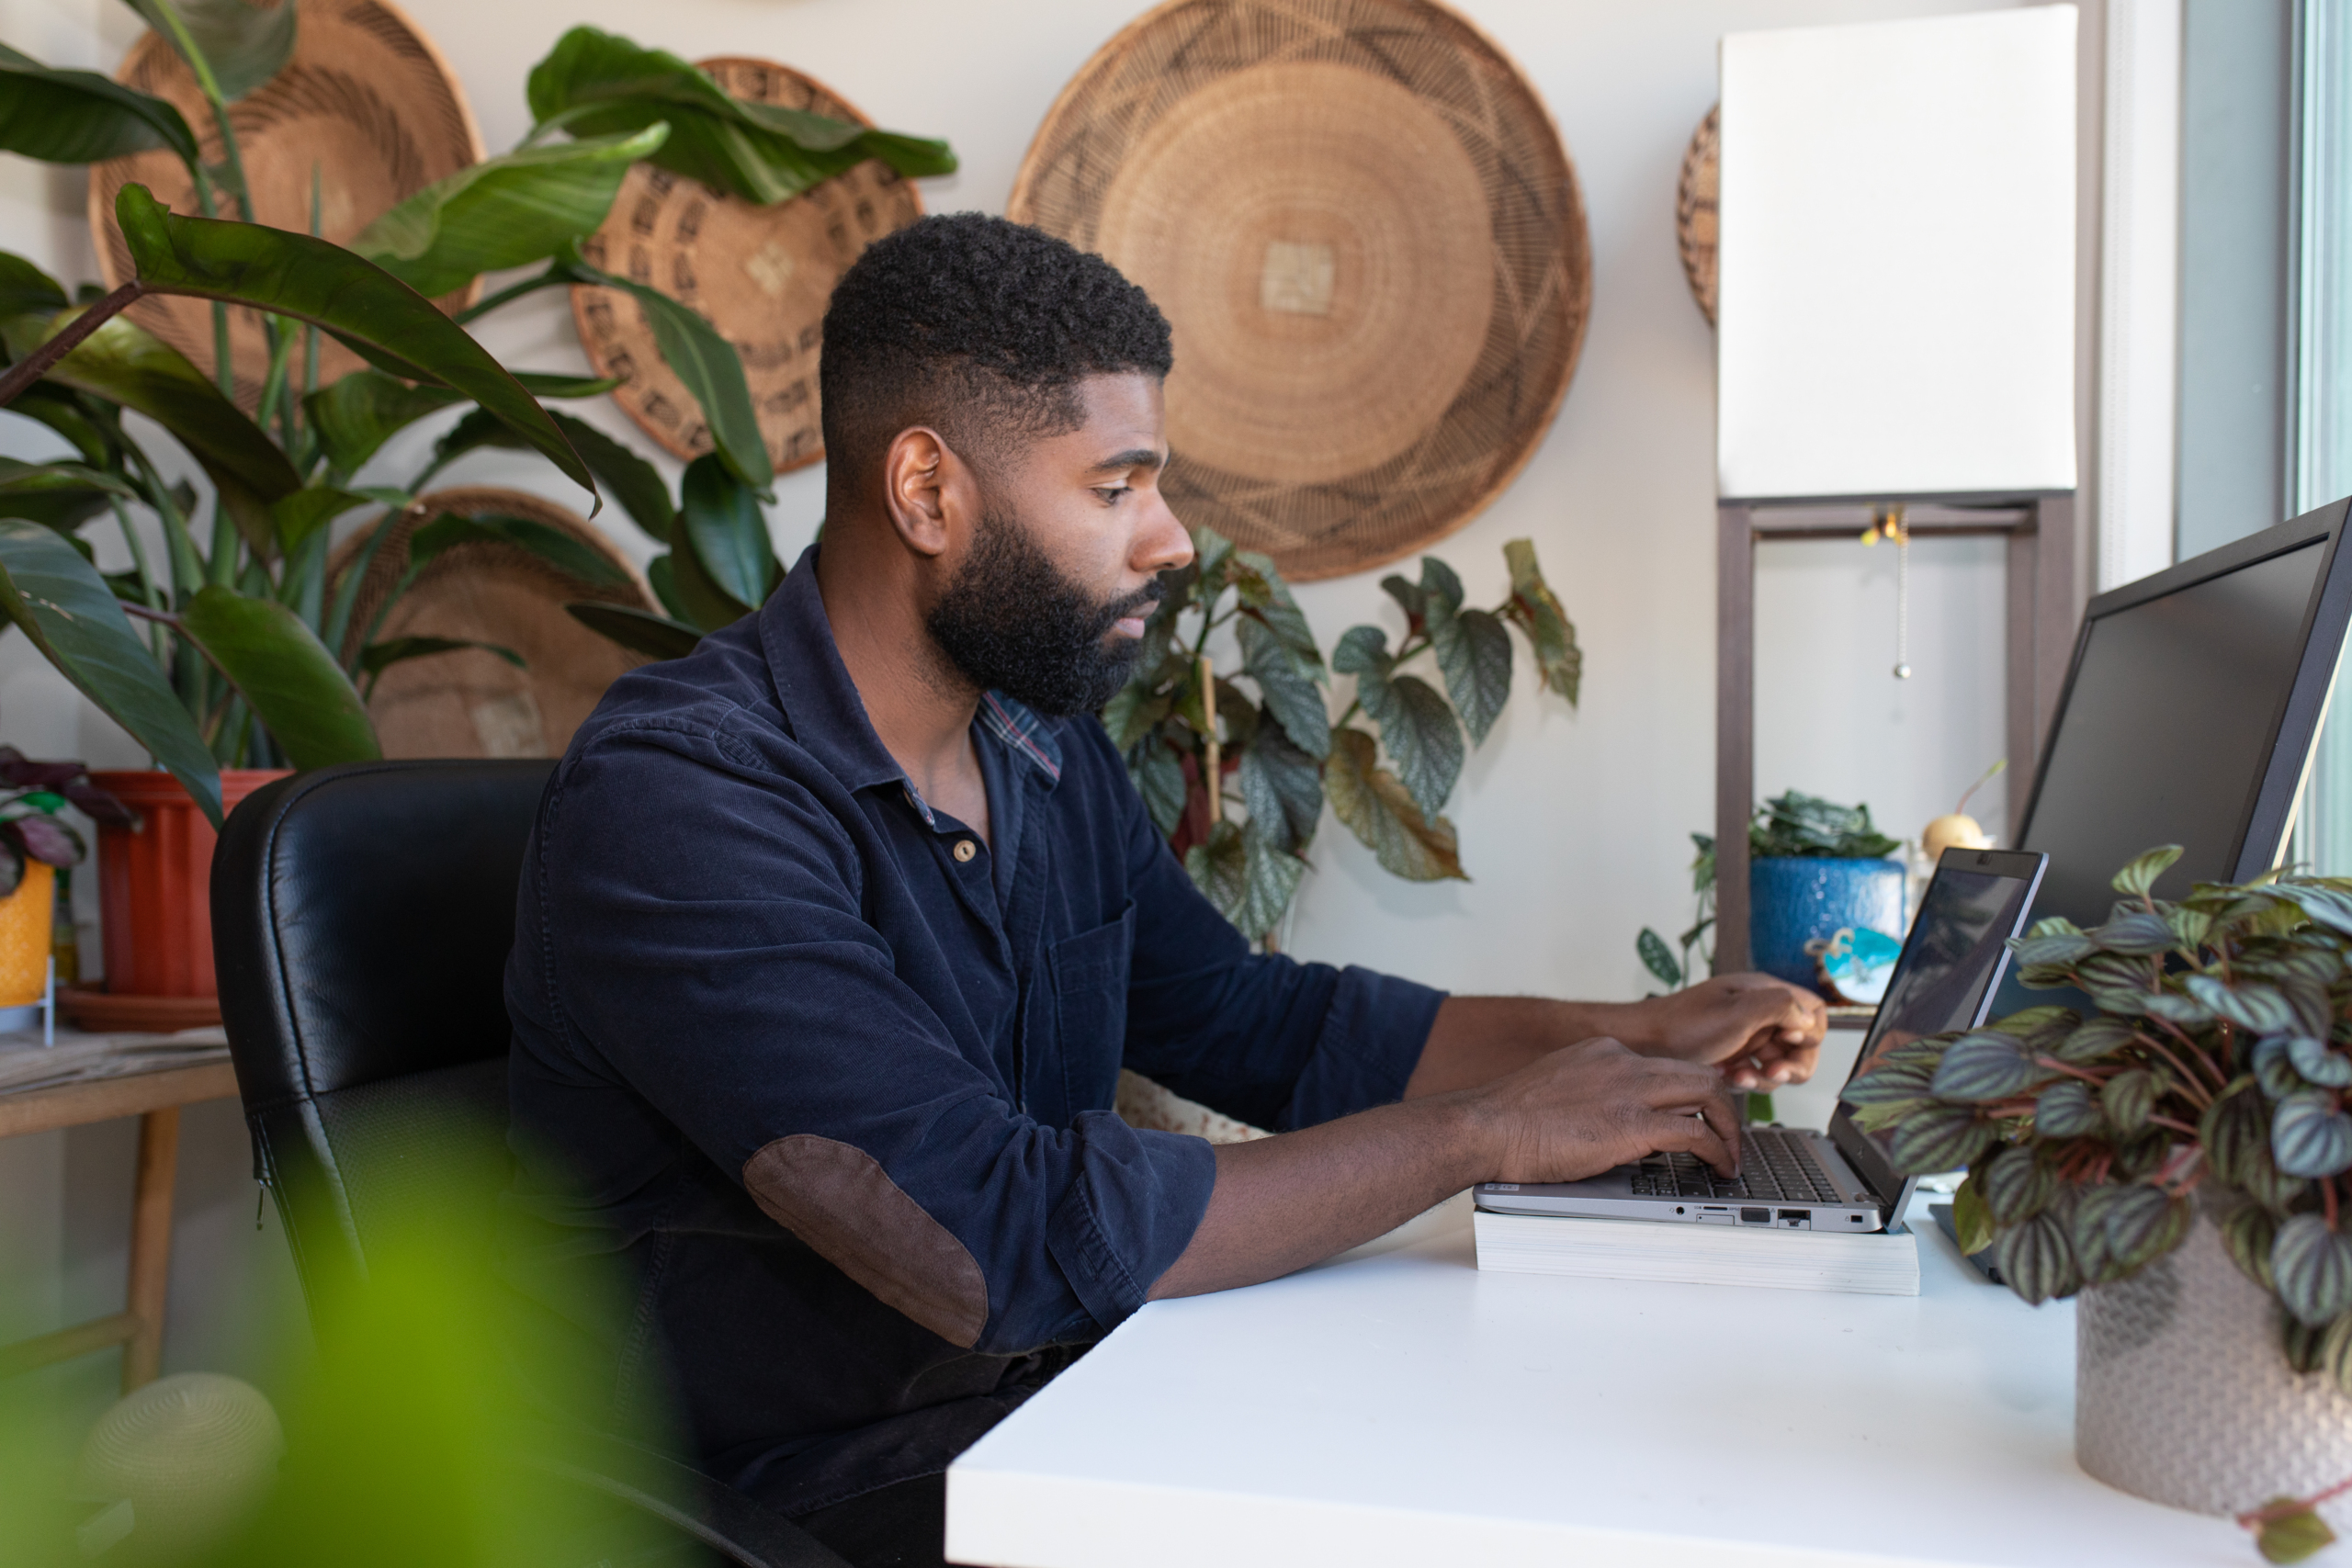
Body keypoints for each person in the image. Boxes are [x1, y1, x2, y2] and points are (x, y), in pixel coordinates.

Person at [500, 213, 1825, 1568]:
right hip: (801, 1501)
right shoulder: (683, 802)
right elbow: (992, 1236)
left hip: (1050, 1404)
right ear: (927, 492)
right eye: (1117, 485)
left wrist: (1630, 1032)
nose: (1173, 539)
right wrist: (1486, 1134)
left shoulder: (1034, 748)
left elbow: (1259, 1023)